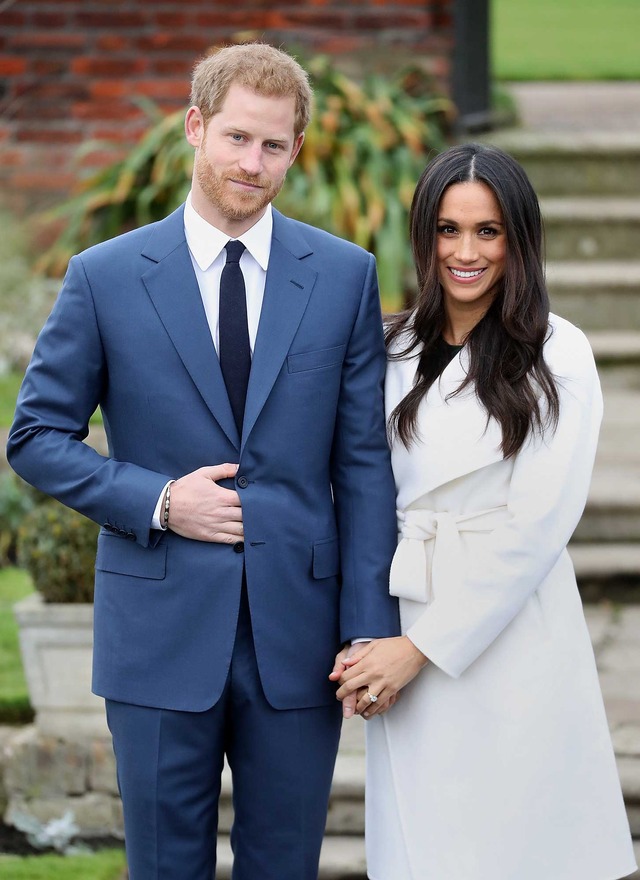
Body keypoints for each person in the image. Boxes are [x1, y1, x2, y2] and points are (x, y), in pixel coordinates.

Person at [7, 42, 400, 880]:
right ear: (195, 128)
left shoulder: (343, 277)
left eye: (273, 145)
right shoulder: (104, 277)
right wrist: (157, 502)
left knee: (284, 866)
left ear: (296, 151)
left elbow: (364, 466)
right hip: (156, 634)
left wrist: (370, 626)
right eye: (236, 138)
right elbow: (35, 437)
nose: (251, 163)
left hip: (299, 637)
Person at [335, 143, 637, 880]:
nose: (465, 252)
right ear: (423, 237)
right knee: (423, 848)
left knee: (514, 846)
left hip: (506, 633)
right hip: (402, 615)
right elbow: (357, 490)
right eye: (447, 229)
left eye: (487, 231)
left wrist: (420, 649)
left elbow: (535, 527)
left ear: (519, 240)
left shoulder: (557, 352)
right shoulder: (389, 345)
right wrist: (367, 635)